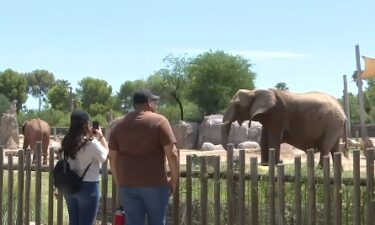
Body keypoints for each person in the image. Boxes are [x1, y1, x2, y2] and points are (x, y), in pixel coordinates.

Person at [108, 89, 179, 225]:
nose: (156, 105)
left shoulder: (118, 125)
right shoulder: (160, 121)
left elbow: (112, 157)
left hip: (128, 185)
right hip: (156, 185)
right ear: (149, 103)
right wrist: (174, 181)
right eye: (155, 102)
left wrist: (119, 182)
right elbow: (172, 153)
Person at [60, 110, 109, 225]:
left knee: (74, 222)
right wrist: (101, 137)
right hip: (89, 187)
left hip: (70, 186)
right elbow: (105, 157)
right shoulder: (91, 144)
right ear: (86, 125)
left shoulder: (66, 143)